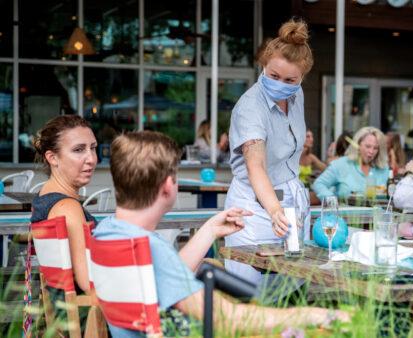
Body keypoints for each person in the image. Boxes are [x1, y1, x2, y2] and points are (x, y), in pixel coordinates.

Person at [93, 131, 349, 337]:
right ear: (169, 186)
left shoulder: (109, 232)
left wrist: (211, 230)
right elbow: (226, 319)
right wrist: (310, 314)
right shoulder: (149, 247)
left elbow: (166, 275)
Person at [225, 19, 314, 285]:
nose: (281, 84)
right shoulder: (250, 107)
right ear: (263, 66)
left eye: (290, 80)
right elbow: (256, 167)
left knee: (292, 287)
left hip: (292, 204)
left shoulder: (296, 97)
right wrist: (275, 210)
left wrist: (285, 211)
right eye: (274, 76)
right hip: (256, 207)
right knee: (251, 293)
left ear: (301, 79)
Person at [31, 115, 97, 324]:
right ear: (52, 158)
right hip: (89, 320)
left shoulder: (44, 198)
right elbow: (87, 282)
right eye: (79, 150)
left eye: (93, 148)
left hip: (66, 319)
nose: (91, 158)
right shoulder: (67, 208)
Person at [312, 126, 389, 201]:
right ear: (357, 145)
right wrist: (332, 201)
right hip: (345, 213)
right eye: (368, 146)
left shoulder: (383, 168)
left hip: (377, 213)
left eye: (375, 148)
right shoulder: (341, 164)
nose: (371, 151)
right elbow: (319, 184)